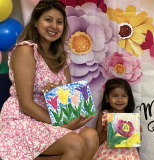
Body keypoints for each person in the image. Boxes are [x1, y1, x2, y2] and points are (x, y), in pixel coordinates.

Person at [0, 0, 99, 159]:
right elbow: (26, 104)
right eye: (48, 19)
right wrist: (62, 125)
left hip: (51, 117)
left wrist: (59, 97)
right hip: (23, 119)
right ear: (35, 23)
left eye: (59, 22)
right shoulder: (26, 50)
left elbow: (67, 99)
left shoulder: (63, 57)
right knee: (75, 142)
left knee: (91, 136)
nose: (54, 25)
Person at [93, 78, 140, 160]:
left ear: (128, 98)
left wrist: (137, 132)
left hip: (128, 154)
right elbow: (96, 142)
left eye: (124, 96)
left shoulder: (132, 115)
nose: (119, 100)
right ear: (107, 98)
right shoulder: (104, 115)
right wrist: (106, 131)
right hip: (107, 154)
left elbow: (137, 142)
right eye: (115, 96)